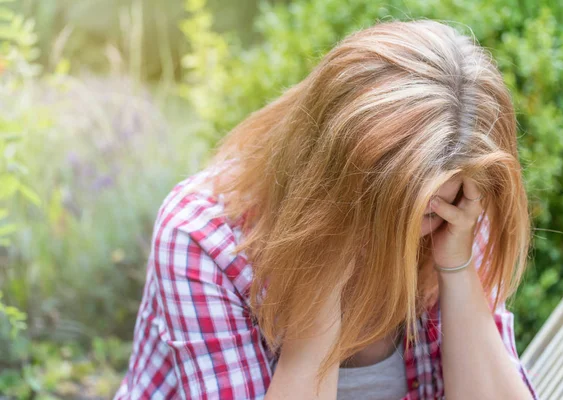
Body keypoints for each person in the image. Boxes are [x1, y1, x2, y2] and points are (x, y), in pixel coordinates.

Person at [114, 19, 538, 400]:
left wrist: (456, 267)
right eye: (380, 206)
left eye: (425, 216)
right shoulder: (203, 238)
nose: (404, 234)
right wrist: (319, 292)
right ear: (325, 171)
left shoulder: (451, 204)